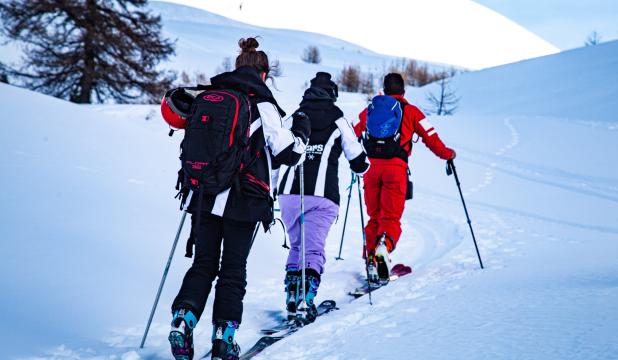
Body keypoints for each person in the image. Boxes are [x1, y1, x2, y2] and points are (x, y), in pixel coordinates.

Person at [166, 38, 311, 360]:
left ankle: (183, 320)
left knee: (202, 264)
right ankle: (224, 337)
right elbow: (289, 153)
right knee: (233, 270)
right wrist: (301, 131)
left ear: (237, 67)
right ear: (263, 75)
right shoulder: (263, 105)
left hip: (202, 195)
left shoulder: (209, 97)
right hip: (243, 201)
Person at [277, 72, 369, 321]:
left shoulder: (293, 117)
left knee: (297, 245)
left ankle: (292, 297)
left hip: (288, 193)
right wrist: (361, 166)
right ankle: (306, 299)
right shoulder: (338, 118)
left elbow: (276, 153)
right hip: (322, 195)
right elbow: (358, 159)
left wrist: (273, 189)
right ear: (332, 93)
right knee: (313, 248)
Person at [353, 73, 455, 283]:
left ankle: (372, 263)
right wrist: (448, 154)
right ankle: (384, 249)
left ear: (384, 89)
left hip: (371, 170)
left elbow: (351, 131)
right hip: (396, 170)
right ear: (403, 91)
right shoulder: (411, 111)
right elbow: (431, 138)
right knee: (390, 218)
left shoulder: (371, 110)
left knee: (374, 217)